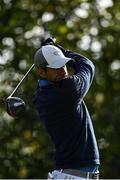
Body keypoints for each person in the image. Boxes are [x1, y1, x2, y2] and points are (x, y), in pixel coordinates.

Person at [32, 38, 100, 179]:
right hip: (75, 175)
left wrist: (55, 51)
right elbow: (87, 65)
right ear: (41, 72)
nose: (63, 71)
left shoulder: (39, 95)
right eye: (56, 68)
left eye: (63, 65)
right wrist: (61, 49)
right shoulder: (69, 89)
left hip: (67, 173)